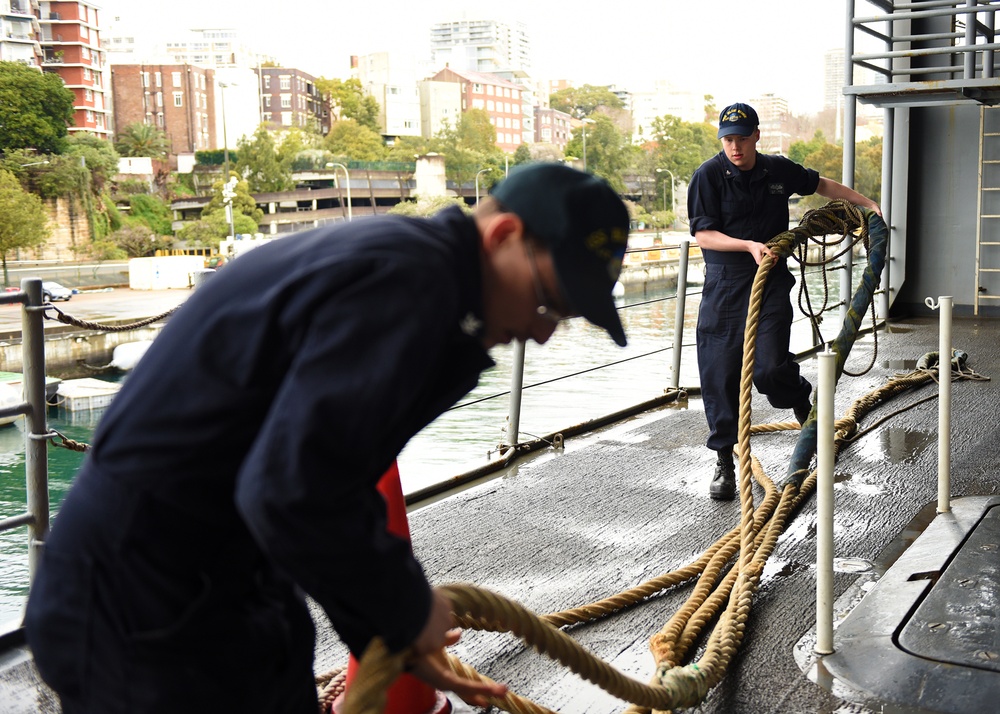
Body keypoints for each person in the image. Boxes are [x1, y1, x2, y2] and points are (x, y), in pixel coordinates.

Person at [25, 162, 631, 713]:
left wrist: (390, 625)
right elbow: (294, 489)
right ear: (502, 238)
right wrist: (402, 612)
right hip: (141, 609)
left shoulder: (413, 272)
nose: (544, 333)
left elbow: (329, 470)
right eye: (549, 302)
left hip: (206, 584)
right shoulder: (407, 286)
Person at [687, 102, 882, 501]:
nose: (735, 146)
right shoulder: (708, 176)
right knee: (720, 370)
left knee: (770, 367)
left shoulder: (777, 169)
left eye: (742, 138)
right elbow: (703, 234)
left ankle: (799, 402)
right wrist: (747, 246)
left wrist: (867, 204)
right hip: (725, 284)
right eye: (728, 139)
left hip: (771, 279)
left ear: (757, 135)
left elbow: (822, 184)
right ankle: (725, 458)